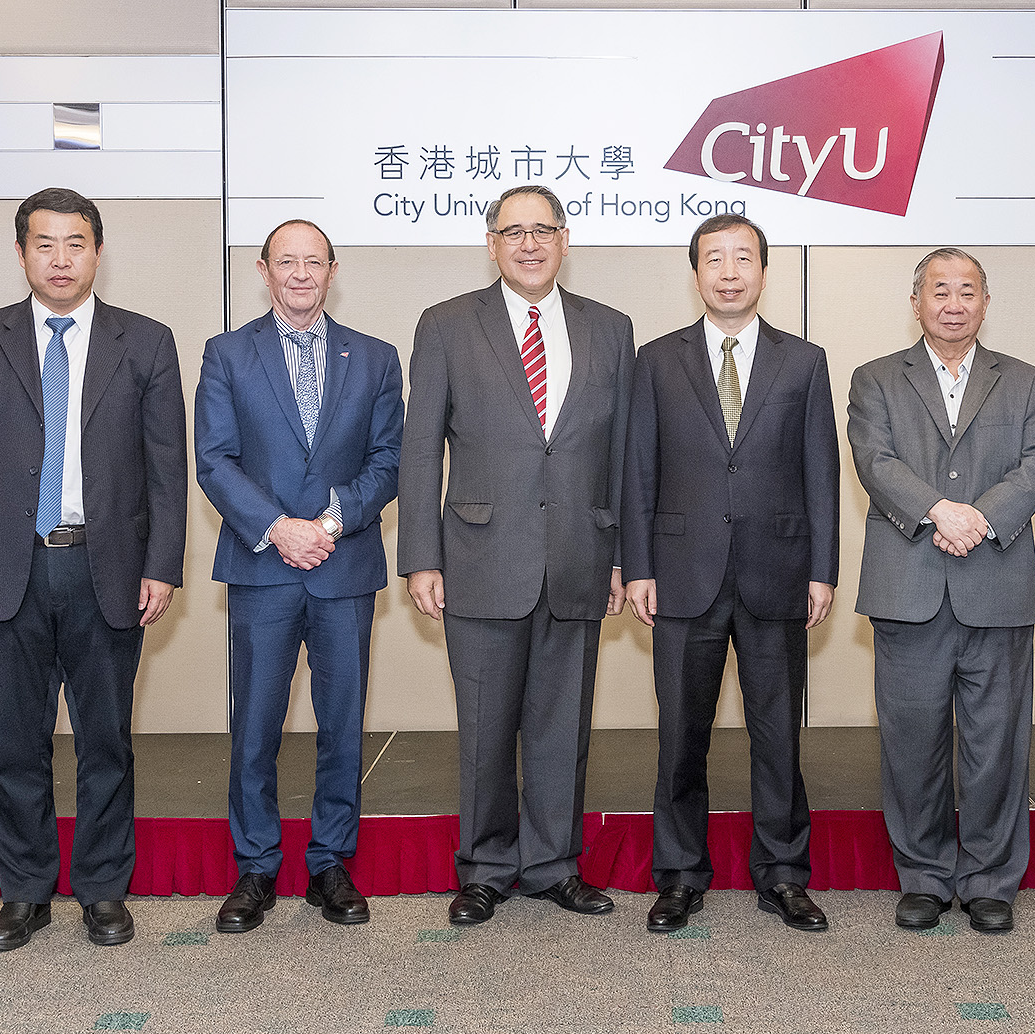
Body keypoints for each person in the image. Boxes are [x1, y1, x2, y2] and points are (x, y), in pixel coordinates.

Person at [0, 187, 188, 951]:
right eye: (44, 243)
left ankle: (104, 888)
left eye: (75, 243)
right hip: (6, 568)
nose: (61, 258)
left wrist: (162, 566)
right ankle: (25, 891)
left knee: (106, 737)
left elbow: (166, 470)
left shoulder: (145, 341)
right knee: (16, 740)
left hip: (105, 565)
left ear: (97, 251)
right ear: (21, 253)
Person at [398, 185, 634, 925]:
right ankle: (486, 866)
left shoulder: (611, 329)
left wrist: (623, 556)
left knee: (564, 725)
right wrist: (419, 556)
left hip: (578, 555)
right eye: (513, 232)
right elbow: (418, 451)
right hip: (477, 556)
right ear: (491, 243)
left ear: (565, 240)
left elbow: (623, 454)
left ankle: (557, 863)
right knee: (485, 726)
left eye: (543, 230)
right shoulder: (445, 324)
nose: (528, 244)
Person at [623, 215, 839, 933]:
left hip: (778, 571)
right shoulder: (655, 360)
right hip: (682, 573)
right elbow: (638, 472)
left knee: (777, 734)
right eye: (714, 258)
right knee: (681, 735)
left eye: (743, 257)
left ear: (763, 271)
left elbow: (822, 473)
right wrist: (639, 566)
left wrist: (823, 568)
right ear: (696, 272)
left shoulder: (804, 361)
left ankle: (783, 873)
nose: (729, 271)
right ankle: (680, 873)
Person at [195, 220, 403, 932]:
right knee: (254, 723)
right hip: (262, 566)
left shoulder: (374, 358)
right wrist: (279, 527)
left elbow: (389, 460)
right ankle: (255, 865)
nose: (301, 274)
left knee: (341, 726)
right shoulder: (227, 353)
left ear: (333, 269)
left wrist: (331, 523)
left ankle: (329, 863)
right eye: (287, 261)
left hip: (343, 566)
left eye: (314, 261)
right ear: (263, 269)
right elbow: (214, 459)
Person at [847, 248, 1035, 933]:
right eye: (940, 290)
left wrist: (982, 517)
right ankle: (926, 876)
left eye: (968, 290)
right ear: (917, 301)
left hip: (995, 582)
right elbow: (875, 459)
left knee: (997, 742)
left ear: (985, 302)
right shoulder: (875, 378)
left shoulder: (1025, 382)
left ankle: (993, 879)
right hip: (909, 583)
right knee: (913, 741)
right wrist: (942, 511)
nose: (954, 302)